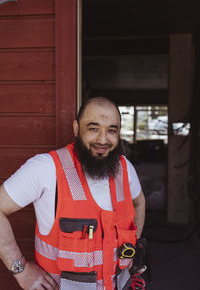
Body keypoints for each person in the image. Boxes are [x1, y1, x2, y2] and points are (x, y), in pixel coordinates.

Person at [0, 97, 145, 290]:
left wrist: (130, 250)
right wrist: (20, 269)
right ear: (76, 129)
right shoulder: (46, 168)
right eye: (93, 128)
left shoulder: (124, 168)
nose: (103, 139)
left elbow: (139, 203)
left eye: (112, 130)